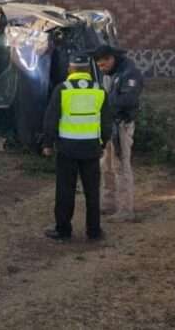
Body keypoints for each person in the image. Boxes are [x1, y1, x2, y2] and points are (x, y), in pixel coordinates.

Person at [41, 53, 113, 242]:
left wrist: (48, 144)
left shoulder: (62, 89)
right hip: (91, 149)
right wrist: (104, 142)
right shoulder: (99, 90)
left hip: (67, 149)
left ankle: (63, 231)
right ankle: (94, 232)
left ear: (70, 70)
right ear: (89, 71)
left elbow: (51, 119)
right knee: (92, 192)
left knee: (65, 191)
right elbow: (106, 122)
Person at [92, 45, 144, 222]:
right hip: (108, 124)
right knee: (105, 166)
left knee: (121, 167)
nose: (101, 67)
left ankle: (125, 210)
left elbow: (129, 100)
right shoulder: (110, 73)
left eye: (103, 63)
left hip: (122, 125)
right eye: (98, 64)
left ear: (111, 58)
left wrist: (103, 103)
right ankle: (108, 204)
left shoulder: (130, 73)